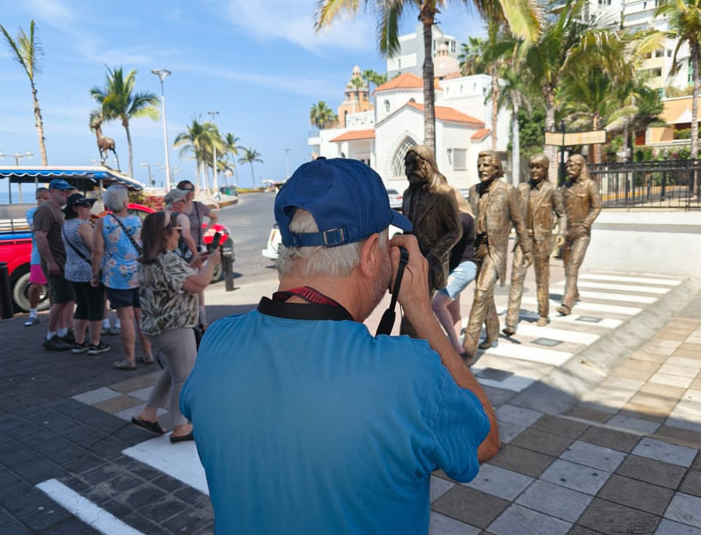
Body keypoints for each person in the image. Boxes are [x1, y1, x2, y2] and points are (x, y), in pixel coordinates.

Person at [180, 158, 498, 534]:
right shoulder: (408, 373)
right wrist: (422, 312)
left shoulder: (218, 342)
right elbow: (485, 439)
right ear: (368, 256)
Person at [132, 211, 220, 442]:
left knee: (173, 371)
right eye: (177, 229)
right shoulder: (168, 259)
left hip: (155, 327)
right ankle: (180, 427)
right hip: (175, 327)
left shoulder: (148, 257)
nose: (180, 234)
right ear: (165, 233)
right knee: (184, 377)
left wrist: (193, 264)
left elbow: (171, 282)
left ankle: (148, 414)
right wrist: (211, 263)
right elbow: (198, 285)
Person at [463, 151, 532, 363]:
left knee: (481, 292)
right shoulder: (474, 191)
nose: (481, 169)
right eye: (479, 165)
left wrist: (527, 249)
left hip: (496, 250)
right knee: (486, 295)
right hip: (476, 248)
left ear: (496, 168)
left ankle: (468, 350)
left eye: (486, 165)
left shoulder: (508, 191)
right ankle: (493, 332)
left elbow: (519, 221)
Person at [401, 145, 462, 337]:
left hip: (431, 265)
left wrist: (431, 256)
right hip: (410, 262)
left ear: (427, 164)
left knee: (415, 315)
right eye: (407, 164)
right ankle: (420, 350)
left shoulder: (444, 193)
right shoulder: (408, 194)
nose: (410, 168)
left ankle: (410, 353)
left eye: (415, 163)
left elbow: (455, 231)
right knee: (414, 311)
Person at [91, 185, 152, 369]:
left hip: (116, 276)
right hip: (139, 273)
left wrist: (95, 275)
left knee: (125, 317)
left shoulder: (103, 223)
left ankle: (129, 358)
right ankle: (148, 353)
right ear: (126, 202)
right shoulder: (138, 221)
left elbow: (97, 251)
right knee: (141, 315)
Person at [504, 154, 566, 334]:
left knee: (542, 279)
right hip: (523, 241)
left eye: (538, 167)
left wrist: (561, 232)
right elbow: (512, 214)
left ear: (545, 169)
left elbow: (562, 214)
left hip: (542, 241)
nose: (534, 170)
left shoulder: (551, 190)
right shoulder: (521, 188)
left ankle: (543, 313)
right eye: (532, 167)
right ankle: (510, 321)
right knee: (516, 279)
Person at [62, 193, 110, 355]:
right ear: (75, 208)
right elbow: (94, 248)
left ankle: (79, 342)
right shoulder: (83, 225)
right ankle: (95, 343)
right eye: (85, 206)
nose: (88, 209)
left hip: (72, 271)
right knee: (95, 306)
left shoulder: (66, 225)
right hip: (88, 271)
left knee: (81, 305)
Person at [431, 193, 476, 358]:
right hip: (457, 269)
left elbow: (451, 233)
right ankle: (456, 346)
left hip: (463, 268)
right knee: (453, 311)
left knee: (437, 304)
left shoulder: (464, 218)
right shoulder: (461, 218)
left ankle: (456, 347)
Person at [33, 179, 76, 351]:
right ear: (52, 192)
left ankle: (63, 332)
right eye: (62, 191)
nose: (65, 194)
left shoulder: (59, 210)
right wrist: (50, 261)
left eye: (67, 192)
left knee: (66, 299)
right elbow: (40, 236)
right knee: (59, 301)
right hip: (55, 262)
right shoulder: (45, 210)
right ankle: (50, 336)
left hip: (63, 261)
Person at [557, 154, 602, 316]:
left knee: (573, 267)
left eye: (572, 166)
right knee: (567, 267)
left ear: (580, 167)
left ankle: (566, 303)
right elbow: (561, 212)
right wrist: (561, 231)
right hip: (567, 232)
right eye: (567, 166)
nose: (568, 169)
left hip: (582, 233)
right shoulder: (565, 188)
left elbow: (597, 207)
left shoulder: (590, 185)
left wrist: (586, 224)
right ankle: (574, 294)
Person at [176, 180, 219, 327]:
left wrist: (205, 230)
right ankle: (189, 318)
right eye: (185, 190)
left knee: (199, 285)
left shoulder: (198, 206)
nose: (189, 193)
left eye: (191, 189)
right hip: (182, 251)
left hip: (198, 249)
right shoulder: (178, 207)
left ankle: (202, 320)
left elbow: (214, 217)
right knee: (187, 285)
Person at [25, 188, 50, 326]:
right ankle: (33, 314)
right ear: (38, 199)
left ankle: (53, 313)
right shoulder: (31, 212)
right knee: (35, 285)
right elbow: (34, 227)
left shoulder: (55, 211)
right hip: (38, 254)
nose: (45, 201)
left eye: (47, 198)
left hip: (54, 253)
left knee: (54, 286)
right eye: (43, 198)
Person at [163, 188, 197, 262]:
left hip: (161, 257)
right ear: (174, 203)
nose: (186, 204)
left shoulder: (159, 215)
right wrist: (196, 254)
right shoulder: (181, 217)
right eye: (184, 201)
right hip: (178, 258)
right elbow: (186, 237)